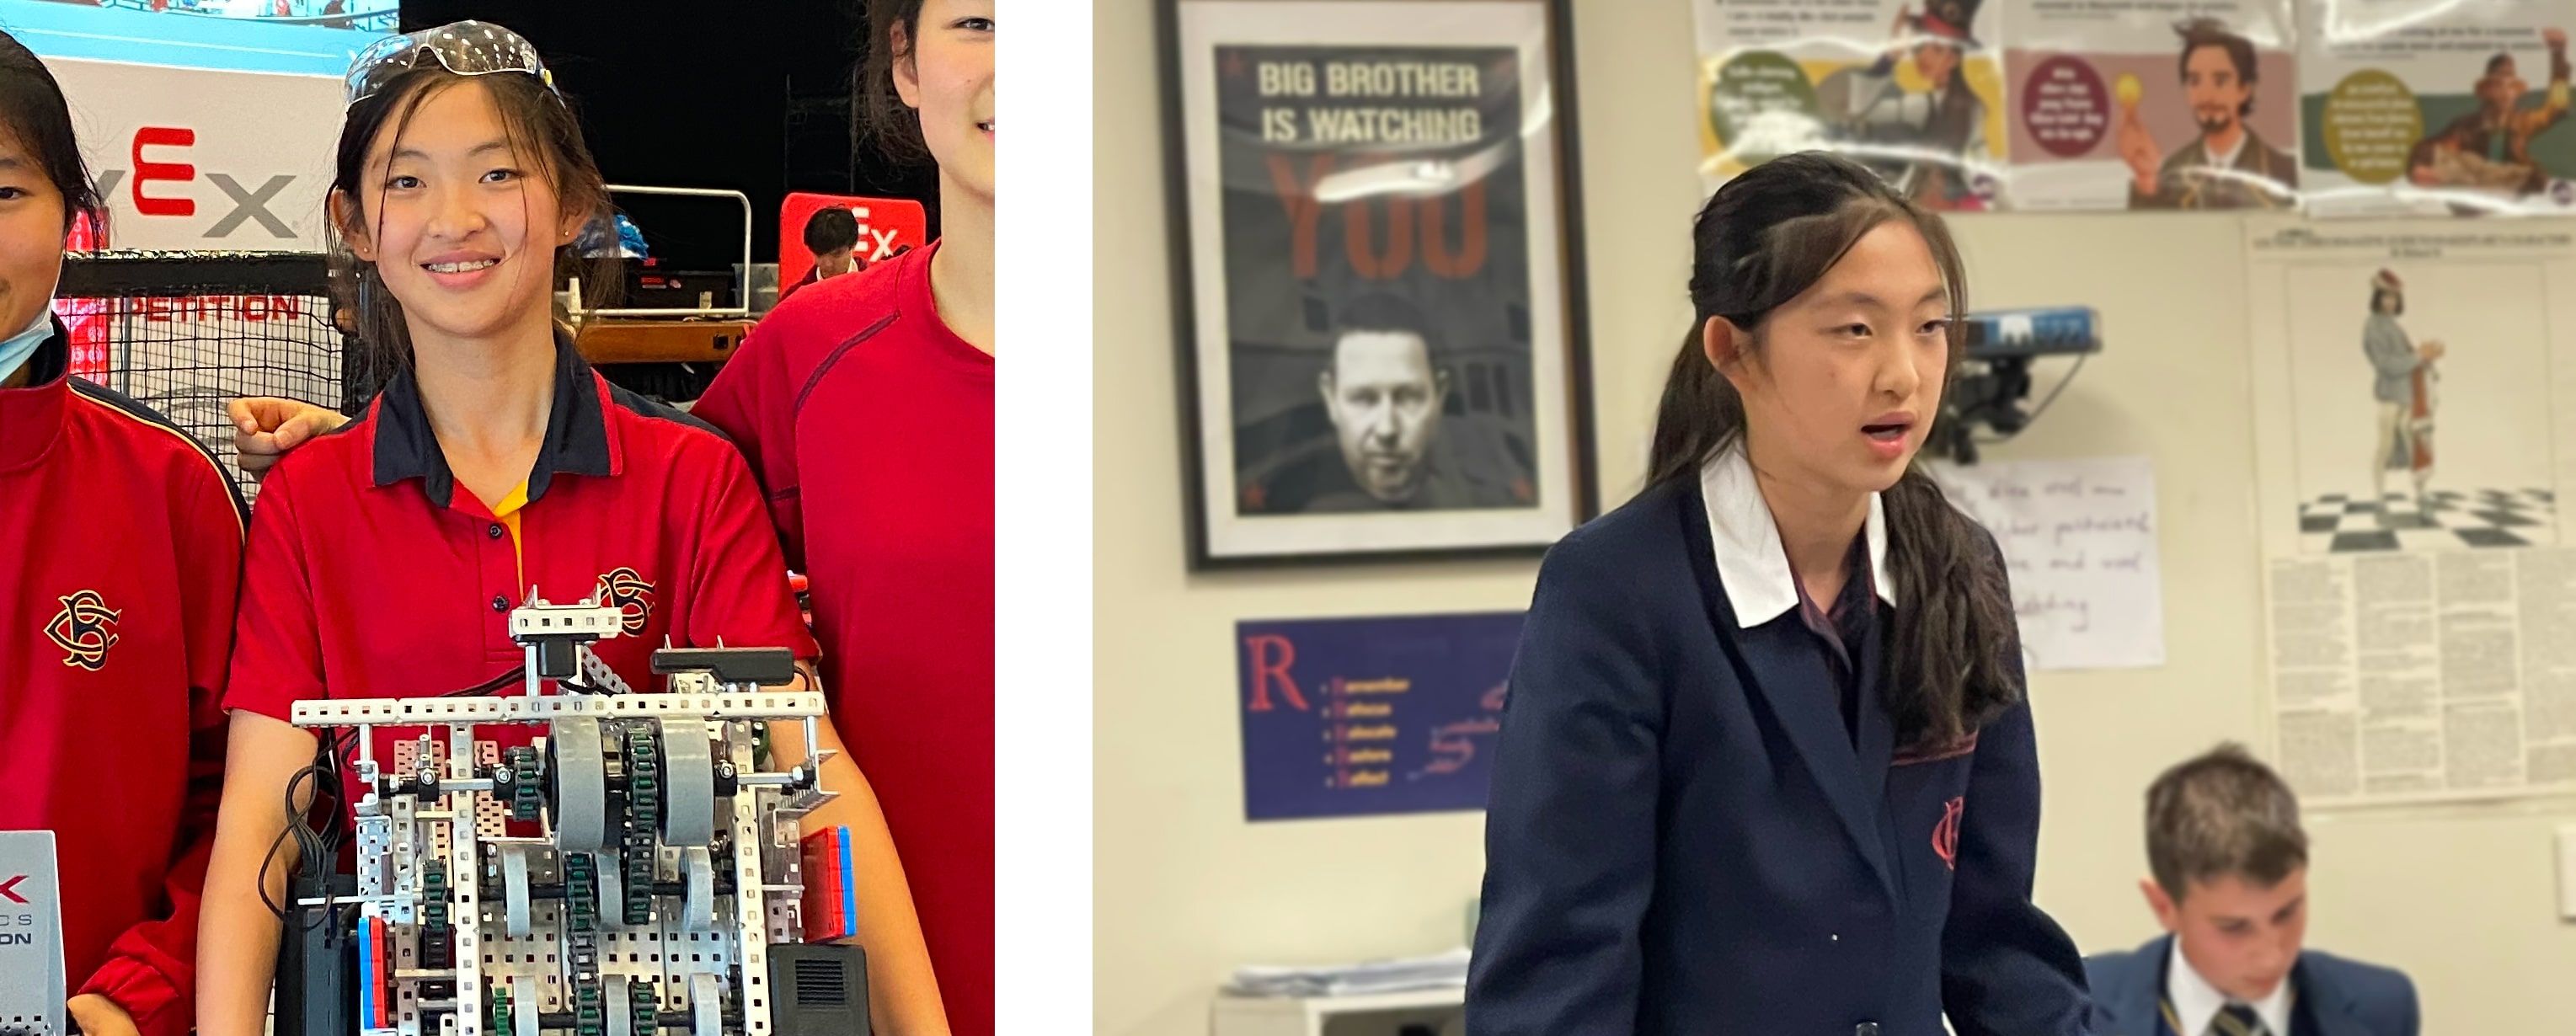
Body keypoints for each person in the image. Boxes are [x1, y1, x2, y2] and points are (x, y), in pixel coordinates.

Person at [224, 5, 998, 1031]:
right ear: (357, 225)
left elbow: (807, 766)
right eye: (406, 180)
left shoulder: (691, 477)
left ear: (574, 201)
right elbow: (257, 830)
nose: (454, 215)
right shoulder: (312, 504)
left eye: (499, 172)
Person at [1463, 151, 2092, 1036]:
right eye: (1854, 331)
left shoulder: (1959, 567)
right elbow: (1559, 971)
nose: (1903, 376)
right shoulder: (1617, 592)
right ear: (1734, 351)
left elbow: (1992, 943)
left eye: (1928, 327)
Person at [0, 29, 238, 1036]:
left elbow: (260, 799)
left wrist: (134, 994)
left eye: (3, 192)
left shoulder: (170, 490)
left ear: (71, 219)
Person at [2085, 745, 2419, 1036]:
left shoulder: (2384, 1007)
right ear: (2163, 906)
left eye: (2287, 913)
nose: (2272, 956)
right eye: (2234, 927)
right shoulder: (2075, 1003)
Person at [1823, 0, 1990, 209]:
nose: (1924, 56)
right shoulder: (1921, 105)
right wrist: (1890, 57)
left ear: (1954, 59)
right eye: (1921, 46)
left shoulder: (1965, 108)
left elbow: (1981, 169)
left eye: (1937, 49)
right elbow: (1860, 113)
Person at [2122, 18, 2297, 210]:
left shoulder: (2285, 172)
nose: (2206, 96)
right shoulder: (2172, 173)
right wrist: (2146, 179)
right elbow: (2148, 236)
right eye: (2195, 81)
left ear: (2245, 90)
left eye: (2220, 81)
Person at [2408, 29, 2568, 195]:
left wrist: (2558, 55)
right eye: (2498, 85)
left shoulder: (2523, 120)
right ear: (2486, 91)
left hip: (2505, 182)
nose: (2505, 92)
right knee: (2450, 160)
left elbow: (2557, 108)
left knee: (2537, 177)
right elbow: (2429, 147)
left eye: (2510, 87)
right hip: (2473, 180)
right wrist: (2421, 166)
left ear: (2516, 93)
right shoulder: (2466, 125)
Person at [2361, 270, 2441, 505]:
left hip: (2408, 395)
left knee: (2417, 444)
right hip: (2390, 396)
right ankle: (2378, 497)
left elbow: (2407, 358)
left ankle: (2421, 493)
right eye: (2386, 296)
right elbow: (2385, 365)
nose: (2390, 301)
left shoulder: (2393, 324)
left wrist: (2426, 357)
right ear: (2377, 297)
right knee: (2385, 446)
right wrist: (2418, 356)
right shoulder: (2373, 325)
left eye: (2394, 297)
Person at [781, 205, 863, 303]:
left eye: (837, 254)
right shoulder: (793, 299)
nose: (828, 264)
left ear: (854, 244)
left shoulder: (876, 286)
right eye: (819, 254)